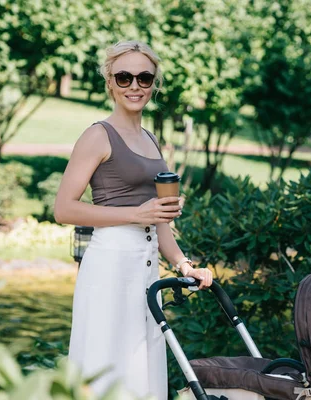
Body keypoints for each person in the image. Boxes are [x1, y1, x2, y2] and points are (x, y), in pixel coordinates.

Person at [53, 40, 214, 400]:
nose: (134, 86)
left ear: (154, 84)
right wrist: (135, 214)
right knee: (106, 370)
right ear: (110, 82)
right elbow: (63, 208)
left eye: (144, 78)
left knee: (142, 370)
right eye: (124, 77)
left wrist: (182, 264)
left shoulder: (151, 140)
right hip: (109, 266)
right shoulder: (98, 135)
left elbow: (158, 222)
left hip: (145, 266)